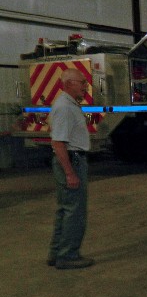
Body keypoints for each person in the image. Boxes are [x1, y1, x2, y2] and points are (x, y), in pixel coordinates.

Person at [47, 68, 95, 270]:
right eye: (81, 82)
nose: (85, 86)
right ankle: (68, 256)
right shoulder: (65, 107)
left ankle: (57, 253)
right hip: (72, 160)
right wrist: (69, 172)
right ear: (67, 84)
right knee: (74, 212)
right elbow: (58, 143)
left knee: (65, 209)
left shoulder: (68, 104)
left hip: (72, 159)